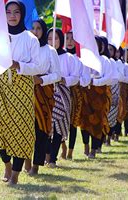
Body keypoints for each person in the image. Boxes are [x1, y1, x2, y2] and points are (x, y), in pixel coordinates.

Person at [0, 0, 39, 185]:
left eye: (16, 12)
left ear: (22, 14)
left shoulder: (30, 39)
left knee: (21, 128)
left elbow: (36, 67)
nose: (12, 16)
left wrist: (18, 64)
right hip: (1, 84)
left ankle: (16, 174)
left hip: (22, 87)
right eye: (8, 12)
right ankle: (7, 164)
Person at [24, 20, 59, 175]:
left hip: (44, 93)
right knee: (25, 128)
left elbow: (57, 75)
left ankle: (36, 165)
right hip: (24, 91)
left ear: (44, 31)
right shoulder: (26, 49)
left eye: (38, 28)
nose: (35, 31)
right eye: (33, 28)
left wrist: (41, 80)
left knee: (40, 130)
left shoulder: (50, 51)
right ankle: (25, 162)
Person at [46, 29, 79, 165]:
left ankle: (53, 158)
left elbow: (75, 77)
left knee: (59, 125)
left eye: (56, 38)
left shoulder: (69, 58)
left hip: (62, 94)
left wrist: (63, 80)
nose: (53, 41)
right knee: (46, 125)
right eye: (49, 38)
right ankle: (47, 155)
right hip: (47, 93)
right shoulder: (44, 55)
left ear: (61, 40)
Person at [82, 36, 112, 159]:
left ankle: (94, 149)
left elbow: (108, 78)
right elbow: (82, 77)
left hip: (99, 97)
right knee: (84, 121)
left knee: (97, 122)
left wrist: (94, 82)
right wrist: (86, 81)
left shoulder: (105, 61)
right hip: (86, 95)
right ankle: (86, 146)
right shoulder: (84, 60)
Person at [61, 31, 87, 160]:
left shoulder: (81, 58)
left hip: (75, 93)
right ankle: (62, 145)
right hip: (59, 91)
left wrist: (74, 80)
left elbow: (84, 78)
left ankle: (70, 150)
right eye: (67, 38)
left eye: (72, 39)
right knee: (59, 120)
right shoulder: (59, 55)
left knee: (73, 122)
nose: (69, 41)